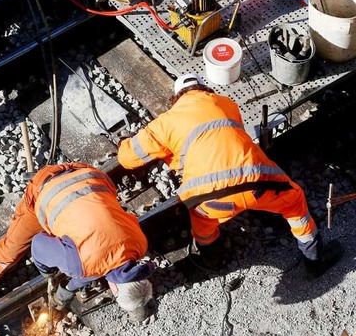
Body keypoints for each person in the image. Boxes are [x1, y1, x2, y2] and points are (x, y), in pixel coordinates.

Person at [117, 73, 343, 278]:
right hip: (258, 183)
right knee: (295, 203)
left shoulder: (165, 122)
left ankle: (213, 258)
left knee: (203, 222)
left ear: (175, 99)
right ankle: (314, 260)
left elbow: (127, 159)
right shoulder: (226, 103)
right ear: (205, 90)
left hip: (210, 197)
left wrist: (129, 142)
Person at [0, 163, 157, 322]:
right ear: (114, 289)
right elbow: (37, 245)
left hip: (90, 175)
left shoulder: (140, 244)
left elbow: (101, 263)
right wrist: (48, 272)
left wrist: (70, 288)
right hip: (45, 188)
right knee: (14, 245)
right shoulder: (79, 265)